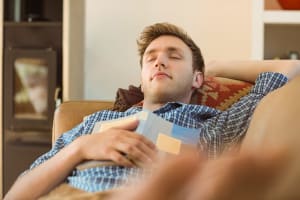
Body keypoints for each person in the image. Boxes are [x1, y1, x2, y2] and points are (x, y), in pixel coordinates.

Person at [4, 22, 300, 199]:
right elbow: (16, 194)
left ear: (198, 78)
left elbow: (290, 67)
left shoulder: (212, 126)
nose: (159, 62)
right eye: (151, 58)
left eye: (174, 57)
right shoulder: (96, 121)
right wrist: (81, 147)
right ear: (142, 79)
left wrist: (212, 67)